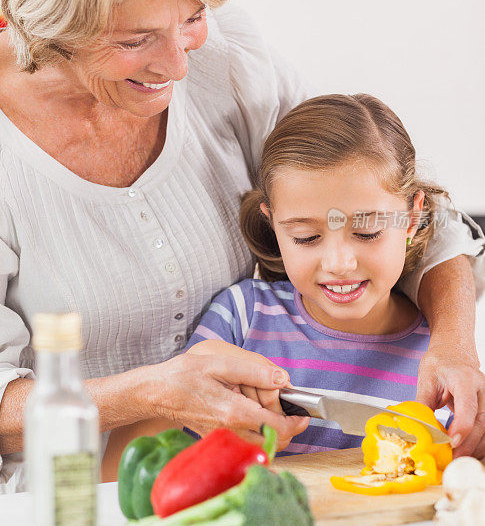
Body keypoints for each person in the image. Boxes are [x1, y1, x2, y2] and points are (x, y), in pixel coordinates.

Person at [0, 0, 483, 499]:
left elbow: (390, 200)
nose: (177, 64)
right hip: (60, 519)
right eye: (134, 39)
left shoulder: (228, 59)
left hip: (240, 490)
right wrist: (153, 391)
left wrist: (455, 344)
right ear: (50, 25)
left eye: (192, 16)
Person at [181, 94, 484, 456]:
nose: (339, 263)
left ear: (412, 216)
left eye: (367, 232)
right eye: (306, 237)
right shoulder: (242, 316)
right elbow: (153, 445)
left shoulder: (441, 360)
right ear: (273, 224)